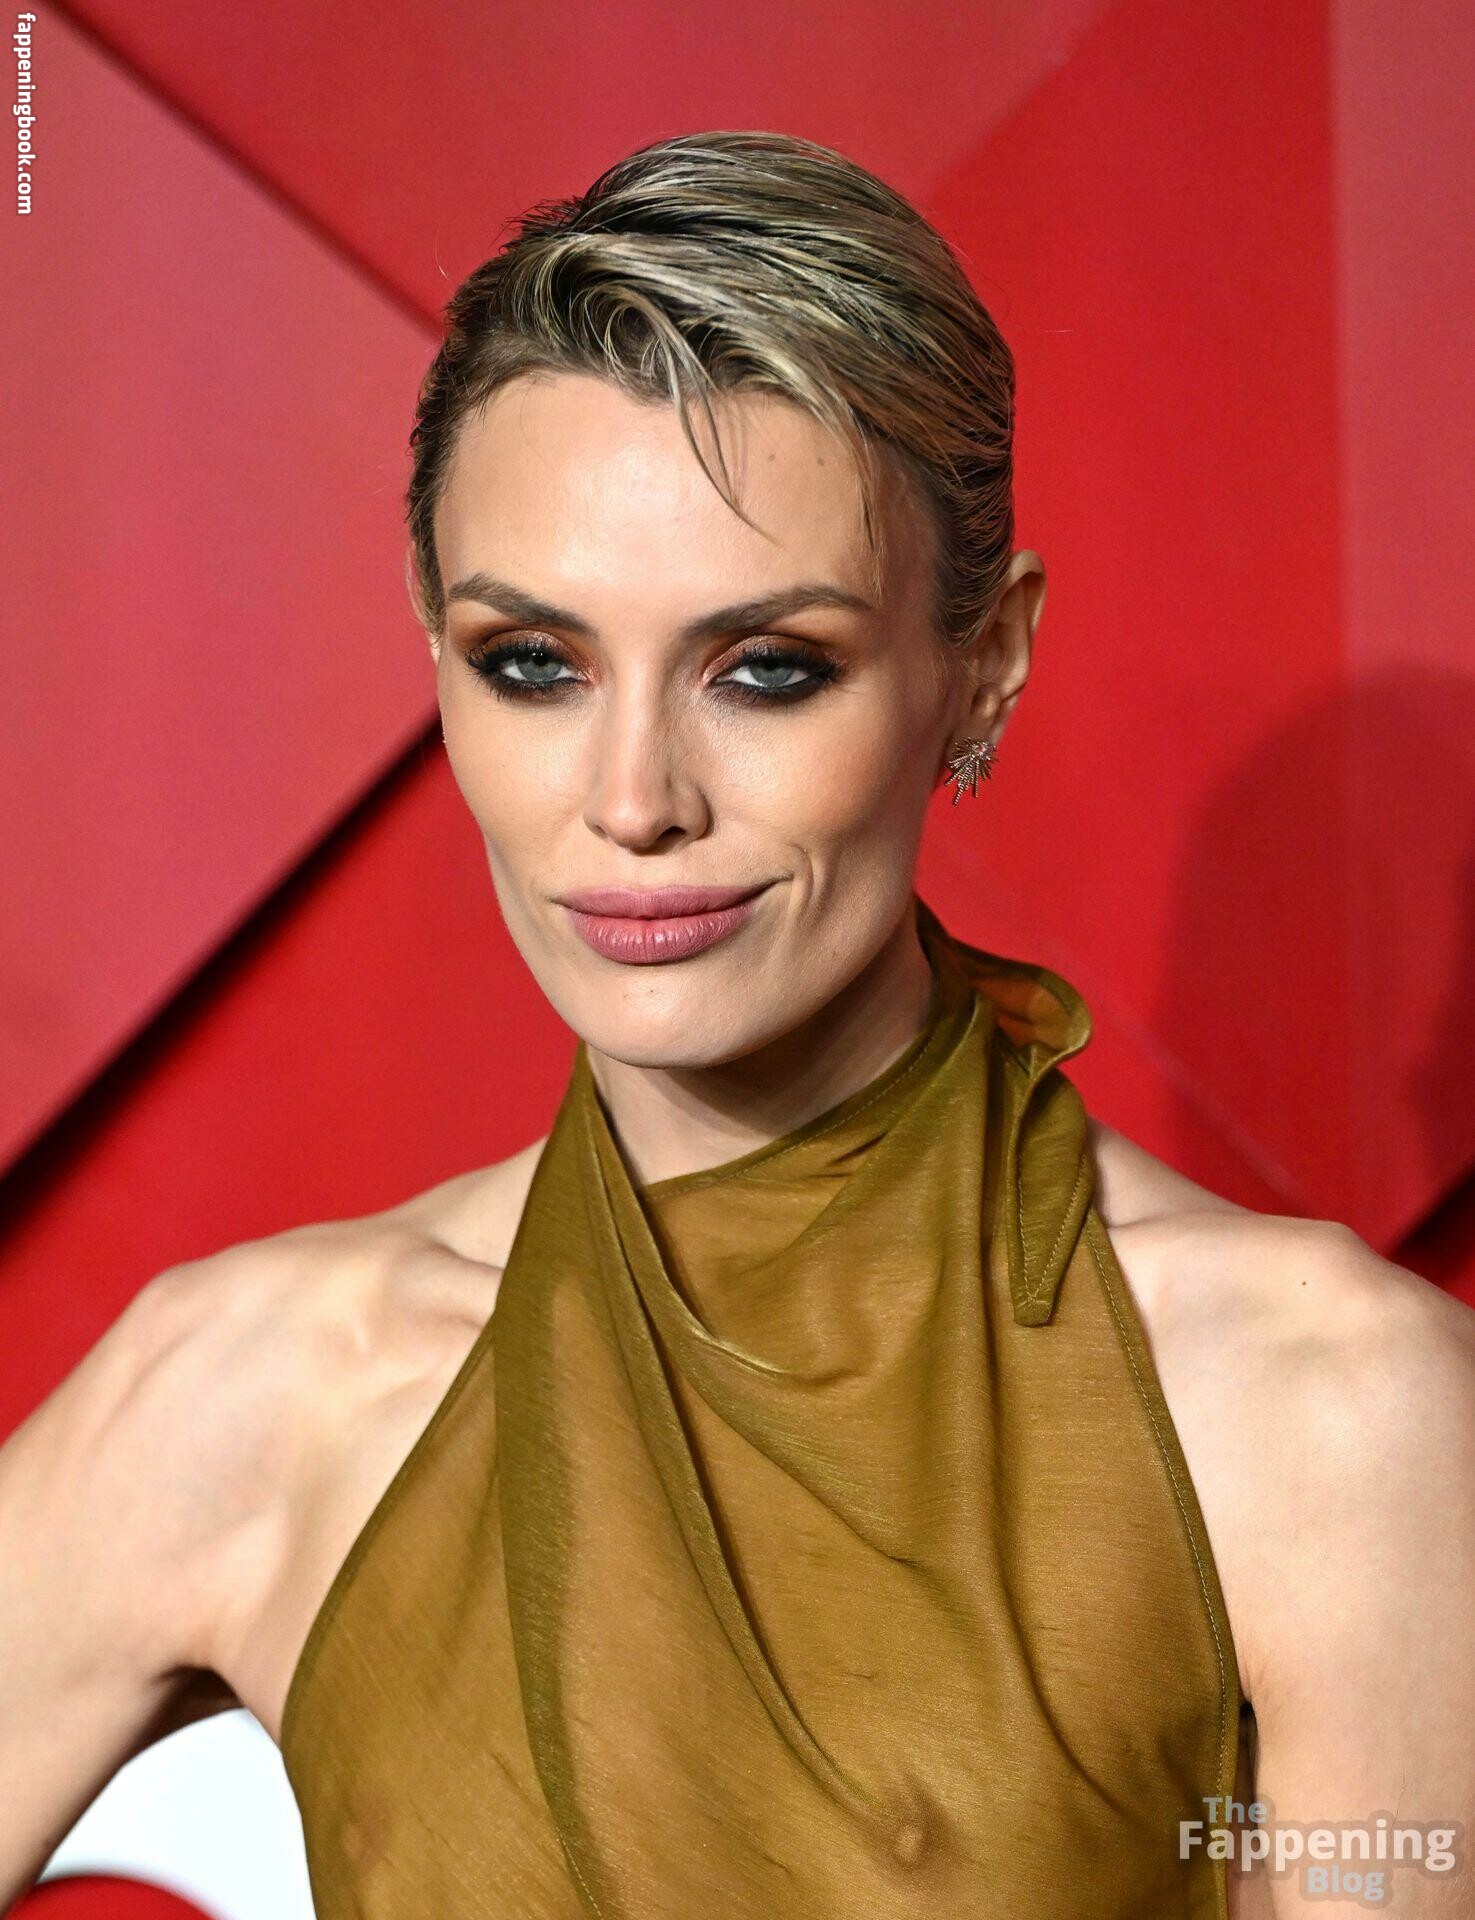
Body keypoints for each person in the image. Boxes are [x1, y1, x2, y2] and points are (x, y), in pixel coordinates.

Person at [2, 129, 1472, 1920]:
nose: (633, 800)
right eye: (532, 665)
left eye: (769, 669)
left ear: (984, 662)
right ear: (435, 652)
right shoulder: (252, 1396)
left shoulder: (1329, 1418)